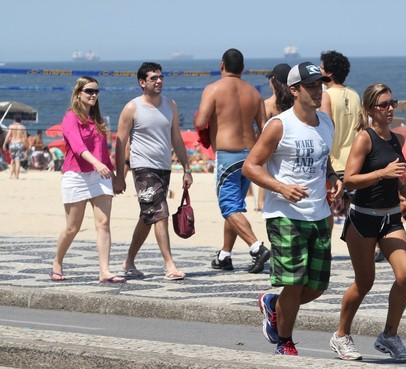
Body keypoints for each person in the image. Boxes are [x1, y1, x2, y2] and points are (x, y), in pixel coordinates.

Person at [243, 62, 342, 355]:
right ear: (294, 90)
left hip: (321, 215)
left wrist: (333, 178)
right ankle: (285, 341)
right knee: (295, 282)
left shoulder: (326, 123)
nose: (317, 91)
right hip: (284, 215)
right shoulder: (279, 125)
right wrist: (281, 187)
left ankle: (274, 304)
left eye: (319, 85)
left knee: (317, 286)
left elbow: (323, 161)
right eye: (310, 86)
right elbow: (251, 166)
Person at [329, 83, 406, 361]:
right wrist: (383, 172)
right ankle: (341, 335)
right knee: (365, 281)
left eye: (393, 103)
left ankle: (389, 335)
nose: (390, 109)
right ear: (369, 110)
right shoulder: (364, 139)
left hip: (391, 218)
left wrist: (403, 190)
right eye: (383, 105)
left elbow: (395, 176)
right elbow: (350, 179)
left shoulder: (397, 140)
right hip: (363, 219)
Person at [113, 62, 192, 281]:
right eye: (153, 78)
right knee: (160, 214)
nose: (159, 81)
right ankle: (170, 265)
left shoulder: (170, 105)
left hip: (164, 168)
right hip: (143, 168)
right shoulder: (132, 108)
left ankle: (128, 261)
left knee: (149, 216)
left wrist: (187, 168)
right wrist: (120, 176)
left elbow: (176, 138)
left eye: (160, 77)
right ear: (142, 82)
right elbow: (119, 143)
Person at [194, 48, 270, 273]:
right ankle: (225, 255)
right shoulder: (254, 93)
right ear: (243, 68)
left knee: (229, 207)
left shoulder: (214, 89)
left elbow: (200, 121)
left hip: (228, 154)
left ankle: (256, 247)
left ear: (221, 65)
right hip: (251, 154)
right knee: (235, 206)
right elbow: (264, 126)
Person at [51, 76, 124, 283]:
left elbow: (103, 151)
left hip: (100, 176)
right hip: (76, 175)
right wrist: (96, 164)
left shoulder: (99, 120)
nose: (93, 95)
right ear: (78, 94)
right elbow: (77, 147)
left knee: (103, 223)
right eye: (89, 91)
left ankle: (104, 271)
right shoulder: (70, 117)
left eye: (96, 92)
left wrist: (115, 174)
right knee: (72, 227)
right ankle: (57, 261)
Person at [319, 50, 362, 223]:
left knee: (327, 210)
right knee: (355, 212)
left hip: (334, 163)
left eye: (321, 68)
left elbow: (327, 128)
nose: (319, 71)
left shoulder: (325, 96)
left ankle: (326, 250)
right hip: (355, 161)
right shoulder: (354, 95)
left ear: (329, 73)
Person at [256, 63, 293, 210]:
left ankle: (260, 202)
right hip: (290, 146)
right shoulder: (294, 103)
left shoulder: (268, 104)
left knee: (265, 169)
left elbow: (262, 132)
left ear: (273, 81)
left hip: (273, 149)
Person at [2, 114, 28, 179]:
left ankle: (11, 175)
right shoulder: (23, 127)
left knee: (12, 160)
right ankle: (17, 176)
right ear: (20, 120)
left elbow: (8, 136)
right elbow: (25, 138)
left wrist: (4, 144)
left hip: (12, 144)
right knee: (17, 160)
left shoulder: (11, 126)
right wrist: (25, 147)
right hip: (19, 144)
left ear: (14, 120)